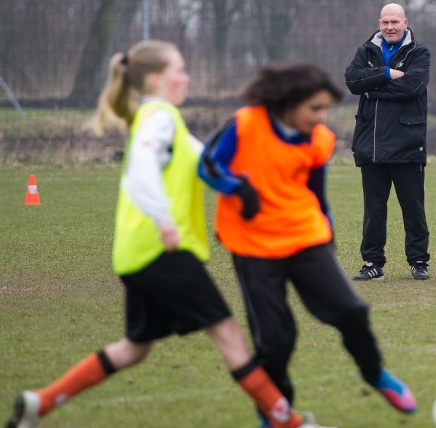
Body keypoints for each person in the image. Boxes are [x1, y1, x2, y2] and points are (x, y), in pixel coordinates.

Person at [5, 40, 324, 428]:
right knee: (230, 338)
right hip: (162, 252)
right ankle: (290, 424)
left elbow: (205, 160)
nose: (187, 76)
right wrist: (164, 220)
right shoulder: (158, 116)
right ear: (157, 79)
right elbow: (141, 169)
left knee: (134, 348)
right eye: (181, 70)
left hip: (136, 253)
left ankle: (41, 402)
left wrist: (241, 182)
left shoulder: (163, 118)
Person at [198, 62, 417, 428]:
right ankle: (273, 414)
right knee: (277, 339)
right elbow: (208, 165)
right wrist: (240, 188)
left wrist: (327, 235)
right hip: (254, 245)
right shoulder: (246, 123)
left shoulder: (319, 139)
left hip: (304, 236)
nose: (322, 117)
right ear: (289, 102)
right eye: (315, 108)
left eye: (326, 109)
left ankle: (375, 374)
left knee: (352, 311)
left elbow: (317, 195)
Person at [344, 2, 431, 281]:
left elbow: (413, 86)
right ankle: (373, 263)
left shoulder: (420, 52)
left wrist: (373, 90)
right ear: (379, 23)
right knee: (373, 211)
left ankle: (418, 262)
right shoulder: (365, 50)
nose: (390, 27)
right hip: (371, 146)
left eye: (395, 22)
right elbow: (353, 81)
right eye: (385, 22)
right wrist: (384, 74)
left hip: (407, 144)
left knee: (413, 208)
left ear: (405, 22)